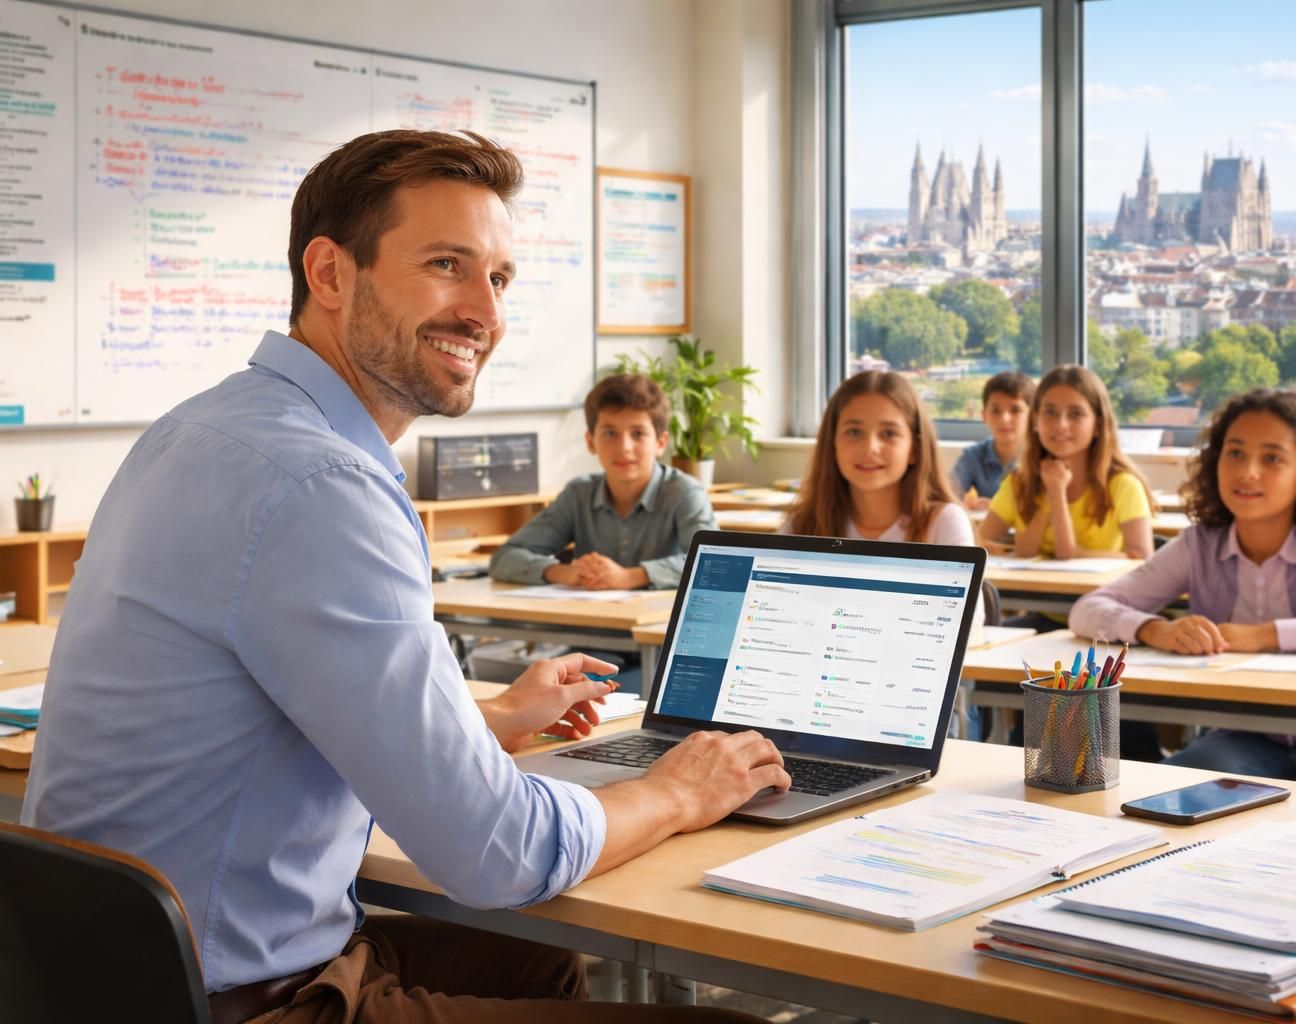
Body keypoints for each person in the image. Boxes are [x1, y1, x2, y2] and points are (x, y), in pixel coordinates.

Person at [21, 129, 783, 1024]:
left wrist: (484, 721)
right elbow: (497, 854)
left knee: (536, 963)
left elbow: (282, 685)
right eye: (446, 264)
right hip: (235, 1003)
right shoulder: (322, 484)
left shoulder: (206, 428)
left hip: (101, 974)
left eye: (497, 278)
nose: (483, 312)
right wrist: (675, 790)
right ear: (332, 273)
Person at [1069, 388, 1296, 793]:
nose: (1248, 472)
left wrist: (1267, 635)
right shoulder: (1199, 545)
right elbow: (1088, 609)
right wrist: (1155, 630)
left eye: (1272, 458)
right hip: (1251, 736)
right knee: (1175, 792)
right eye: (1235, 453)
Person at [490, 373, 716, 591]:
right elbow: (505, 557)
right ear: (591, 442)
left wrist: (630, 577)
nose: (624, 447)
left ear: (660, 443)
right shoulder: (579, 494)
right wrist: (564, 572)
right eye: (610, 433)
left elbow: (713, 564)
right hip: (593, 623)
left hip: (662, 625)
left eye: (638, 434)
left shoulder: (685, 493)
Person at [976, 364, 1153, 563]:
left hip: (1099, 591)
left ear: (1098, 425)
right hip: (1031, 592)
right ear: (1035, 420)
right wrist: (1051, 495)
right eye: (1050, 412)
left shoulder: (1123, 485)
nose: (1060, 425)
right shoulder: (1018, 482)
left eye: (1075, 414)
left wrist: (1082, 555)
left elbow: (1142, 556)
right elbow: (980, 540)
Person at [783, 370, 972, 546]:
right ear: (832, 444)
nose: (870, 448)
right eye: (854, 432)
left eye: (889, 433)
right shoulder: (800, 526)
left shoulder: (944, 524)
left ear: (914, 448)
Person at [951, 371, 1035, 510]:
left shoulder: (1041, 458)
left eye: (1015, 410)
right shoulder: (973, 456)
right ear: (984, 415)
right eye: (996, 410)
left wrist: (997, 509)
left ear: (1033, 416)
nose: (1004, 419)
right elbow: (945, 496)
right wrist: (965, 506)